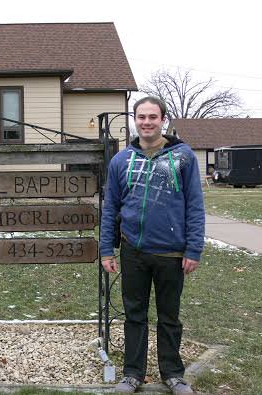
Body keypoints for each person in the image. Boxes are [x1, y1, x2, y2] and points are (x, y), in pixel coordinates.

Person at [100, 96, 205, 394]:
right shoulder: (121, 160)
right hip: (133, 251)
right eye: (141, 117)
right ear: (134, 120)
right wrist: (107, 249)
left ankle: (172, 374)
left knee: (169, 317)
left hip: (172, 253)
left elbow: (195, 206)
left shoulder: (183, 157)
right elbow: (111, 209)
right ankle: (133, 374)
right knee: (135, 315)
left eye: (152, 117)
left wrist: (193, 249)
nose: (147, 122)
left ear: (163, 120)